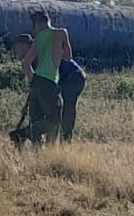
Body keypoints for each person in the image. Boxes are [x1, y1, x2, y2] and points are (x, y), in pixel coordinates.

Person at [20, 8, 72, 144]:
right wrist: (57, 52)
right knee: (54, 120)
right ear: (48, 20)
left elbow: (26, 63)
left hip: (36, 80)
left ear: (37, 24)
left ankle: (38, 156)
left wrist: (33, 80)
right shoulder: (61, 33)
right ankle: (23, 133)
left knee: (36, 119)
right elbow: (68, 56)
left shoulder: (38, 38)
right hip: (49, 81)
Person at [58, 56, 87, 141]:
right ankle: (66, 137)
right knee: (69, 107)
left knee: (68, 108)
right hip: (76, 75)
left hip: (72, 76)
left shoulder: (44, 54)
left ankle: (65, 137)